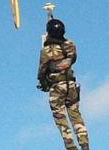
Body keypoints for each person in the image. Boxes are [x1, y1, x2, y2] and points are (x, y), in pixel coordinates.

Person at [37, 19, 90, 150]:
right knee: (76, 115)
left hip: (57, 87)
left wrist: (43, 83)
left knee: (60, 118)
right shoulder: (70, 45)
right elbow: (73, 58)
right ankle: (84, 144)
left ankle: (71, 146)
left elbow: (42, 70)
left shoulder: (47, 51)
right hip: (71, 85)